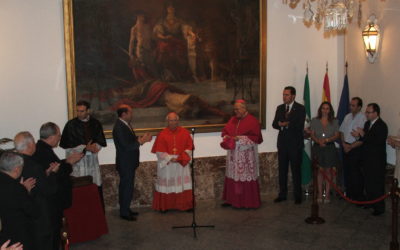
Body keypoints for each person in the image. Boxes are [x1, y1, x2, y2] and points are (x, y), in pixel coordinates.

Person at [33, 122, 83, 249]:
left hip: (52, 200)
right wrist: (69, 163)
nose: (60, 138)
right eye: (59, 135)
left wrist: (66, 161)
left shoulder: (42, 148)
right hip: (52, 202)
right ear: (51, 137)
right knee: (54, 234)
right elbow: (57, 173)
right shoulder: (43, 151)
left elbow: (54, 165)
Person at [14, 132, 58, 250]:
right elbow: (49, 190)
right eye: (33, 141)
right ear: (29, 145)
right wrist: (53, 173)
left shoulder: (13, 165)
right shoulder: (34, 166)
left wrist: (45, 174)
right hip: (39, 214)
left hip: (23, 215)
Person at [59, 100, 107, 208]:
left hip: (92, 163)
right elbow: (67, 146)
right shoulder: (70, 125)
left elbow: (100, 141)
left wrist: (95, 148)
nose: (79, 113)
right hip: (77, 164)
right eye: (78, 111)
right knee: (79, 192)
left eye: (82, 111)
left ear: (88, 111)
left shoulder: (95, 123)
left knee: (94, 187)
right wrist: (85, 148)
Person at [112, 104, 152, 221]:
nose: (132, 114)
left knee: (127, 187)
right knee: (126, 187)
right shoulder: (119, 127)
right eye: (130, 112)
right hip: (125, 163)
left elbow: (130, 140)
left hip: (128, 162)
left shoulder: (125, 124)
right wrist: (141, 141)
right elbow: (126, 146)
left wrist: (141, 138)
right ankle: (124, 212)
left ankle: (126, 209)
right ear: (124, 114)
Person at [220, 100, 263, 208]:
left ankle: (247, 202)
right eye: (234, 109)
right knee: (233, 176)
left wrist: (239, 138)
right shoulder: (233, 119)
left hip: (246, 156)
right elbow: (225, 132)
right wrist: (227, 137)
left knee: (244, 176)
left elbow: (255, 138)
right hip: (233, 155)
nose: (235, 112)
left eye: (237, 109)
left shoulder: (253, 121)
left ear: (244, 108)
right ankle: (232, 200)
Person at [151, 112, 193, 212]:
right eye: (171, 120)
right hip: (168, 164)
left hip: (180, 163)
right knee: (167, 184)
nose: (173, 122)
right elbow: (159, 151)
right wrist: (170, 158)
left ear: (178, 121)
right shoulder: (162, 134)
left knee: (182, 183)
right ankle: (165, 206)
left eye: (175, 120)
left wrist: (180, 158)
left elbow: (189, 148)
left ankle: (185, 205)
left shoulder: (185, 133)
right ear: (167, 121)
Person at [353, 103, 388, 216]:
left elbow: (376, 141)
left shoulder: (382, 125)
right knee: (368, 183)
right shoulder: (368, 123)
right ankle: (370, 202)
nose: (366, 114)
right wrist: (358, 136)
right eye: (366, 112)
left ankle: (379, 207)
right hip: (367, 158)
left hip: (376, 160)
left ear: (376, 113)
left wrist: (363, 134)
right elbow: (365, 139)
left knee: (376, 184)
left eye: (368, 112)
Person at [272, 86, 306, 204]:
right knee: (282, 171)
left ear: (293, 96)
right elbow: (274, 124)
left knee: (296, 171)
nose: (284, 97)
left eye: (286, 95)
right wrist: (280, 124)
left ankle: (298, 196)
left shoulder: (300, 108)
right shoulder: (280, 108)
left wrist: (286, 124)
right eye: (283, 94)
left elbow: (299, 124)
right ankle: (282, 194)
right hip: (282, 145)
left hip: (295, 145)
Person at [0, 152, 38, 250]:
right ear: (17, 169)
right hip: (17, 235)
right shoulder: (17, 188)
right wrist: (26, 191)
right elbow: (32, 211)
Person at [153, 2, 197, 81]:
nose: (171, 9)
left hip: (177, 41)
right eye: (169, 8)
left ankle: (180, 75)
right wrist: (164, 37)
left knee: (180, 51)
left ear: (175, 9)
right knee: (164, 49)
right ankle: (166, 74)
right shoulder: (162, 21)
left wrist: (192, 34)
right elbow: (158, 33)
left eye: (172, 8)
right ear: (166, 9)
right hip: (165, 41)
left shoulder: (179, 20)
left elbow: (185, 28)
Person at [310, 102, 340, 203]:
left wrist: (327, 140)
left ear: (330, 110)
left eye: (327, 108)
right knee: (319, 171)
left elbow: (336, 135)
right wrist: (318, 141)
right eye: (323, 108)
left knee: (328, 171)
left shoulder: (335, 121)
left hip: (329, 148)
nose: (325, 110)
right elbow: (312, 134)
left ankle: (327, 194)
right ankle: (319, 194)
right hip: (318, 148)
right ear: (320, 109)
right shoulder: (314, 120)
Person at [339, 97, 366, 201]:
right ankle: (349, 194)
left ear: (359, 107)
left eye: (353, 105)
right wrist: (343, 144)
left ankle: (358, 197)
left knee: (356, 174)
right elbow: (341, 131)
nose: (351, 107)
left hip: (355, 148)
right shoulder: (347, 116)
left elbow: (363, 138)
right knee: (347, 172)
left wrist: (350, 146)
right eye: (350, 105)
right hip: (345, 146)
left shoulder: (363, 118)